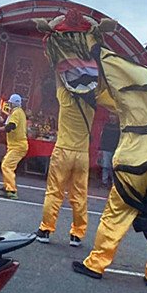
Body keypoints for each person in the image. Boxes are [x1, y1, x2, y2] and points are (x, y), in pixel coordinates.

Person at [36, 77, 95, 247]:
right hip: (82, 155)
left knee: (54, 192)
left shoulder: (65, 99)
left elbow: (58, 78)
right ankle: (77, 234)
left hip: (63, 151)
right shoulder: (91, 106)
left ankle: (46, 230)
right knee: (79, 195)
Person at [0, 94, 28, 200]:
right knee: (8, 165)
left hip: (18, 146)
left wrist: (0, 128)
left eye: (10, 103)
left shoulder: (16, 112)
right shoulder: (18, 112)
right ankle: (7, 186)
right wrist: (2, 121)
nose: (9, 104)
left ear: (13, 103)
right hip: (16, 145)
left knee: (6, 165)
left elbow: (11, 126)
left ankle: (11, 190)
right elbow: (9, 123)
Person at [99, 114, 120, 187]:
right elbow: (102, 137)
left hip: (115, 149)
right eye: (110, 114)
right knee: (105, 166)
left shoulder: (119, 127)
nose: (111, 116)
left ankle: (114, 182)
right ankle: (104, 182)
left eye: (113, 115)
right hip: (106, 148)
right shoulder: (106, 126)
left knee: (113, 167)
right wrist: (101, 148)